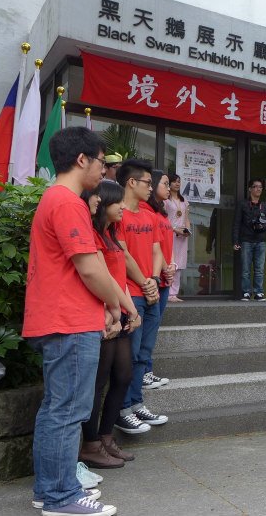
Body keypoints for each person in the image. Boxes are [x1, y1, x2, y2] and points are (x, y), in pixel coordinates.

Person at [22, 126, 120, 516]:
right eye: (100, 161)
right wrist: (115, 304)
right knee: (67, 412)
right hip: (68, 320)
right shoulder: (67, 201)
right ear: (82, 160)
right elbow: (90, 268)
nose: (104, 170)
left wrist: (112, 305)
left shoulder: (60, 199)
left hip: (62, 318)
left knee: (58, 409)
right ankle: (60, 497)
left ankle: (50, 491)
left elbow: (92, 263)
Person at [79, 182, 142, 470]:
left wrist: (131, 312)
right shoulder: (91, 234)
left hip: (118, 312)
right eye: (117, 203)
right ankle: (90, 443)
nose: (123, 207)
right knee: (99, 382)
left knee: (124, 375)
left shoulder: (112, 234)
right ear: (102, 204)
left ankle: (105, 437)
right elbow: (101, 278)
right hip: (104, 315)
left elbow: (119, 278)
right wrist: (120, 311)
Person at [115, 159, 169, 434]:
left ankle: (137, 404)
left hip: (150, 292)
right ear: (131, 183)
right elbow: (122, 254)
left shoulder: (149, 216)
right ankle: (122, 409)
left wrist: (155, 280)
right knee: (131, 354)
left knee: (144, 354)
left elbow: (157, 251)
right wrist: (144, 282)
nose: (151, 187)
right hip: (131, 294)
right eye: (148, 182)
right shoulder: (118, 214)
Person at [145, 170, 174, 389]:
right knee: (148, 329)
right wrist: (165, 267)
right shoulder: (147, 211)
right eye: (164, 183)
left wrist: (170, 266)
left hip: (164, 277)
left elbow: (166, 244)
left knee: (153, 328)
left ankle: (147, 370)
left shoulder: (162, 212)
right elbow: (153, 247)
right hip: (154, 277)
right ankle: (144, 372)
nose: (168, 186)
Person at [233, 178, 266, 301]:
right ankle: (246, 292)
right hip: (246, 240)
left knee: (259, 269)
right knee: (245, 269)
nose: (258, 189)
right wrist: (235, 241)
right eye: (256, 186)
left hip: (261, 240)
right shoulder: (243, 204)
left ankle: (258, 292)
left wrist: (262, 226)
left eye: (260, 187)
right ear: (250, 189)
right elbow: (236, 224)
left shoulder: (265, 206)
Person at [163, 173, 190, 301]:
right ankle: (166, 292)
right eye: (174, 181)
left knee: (180, 262)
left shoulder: (184, 200)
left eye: (179, 181)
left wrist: (187, 230)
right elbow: (163, 218)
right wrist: (174, 229)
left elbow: (186, 218)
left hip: (182, 236)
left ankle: (174, 293)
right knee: (170, 260)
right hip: (170, 233)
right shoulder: (166, 200)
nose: (177, 184)